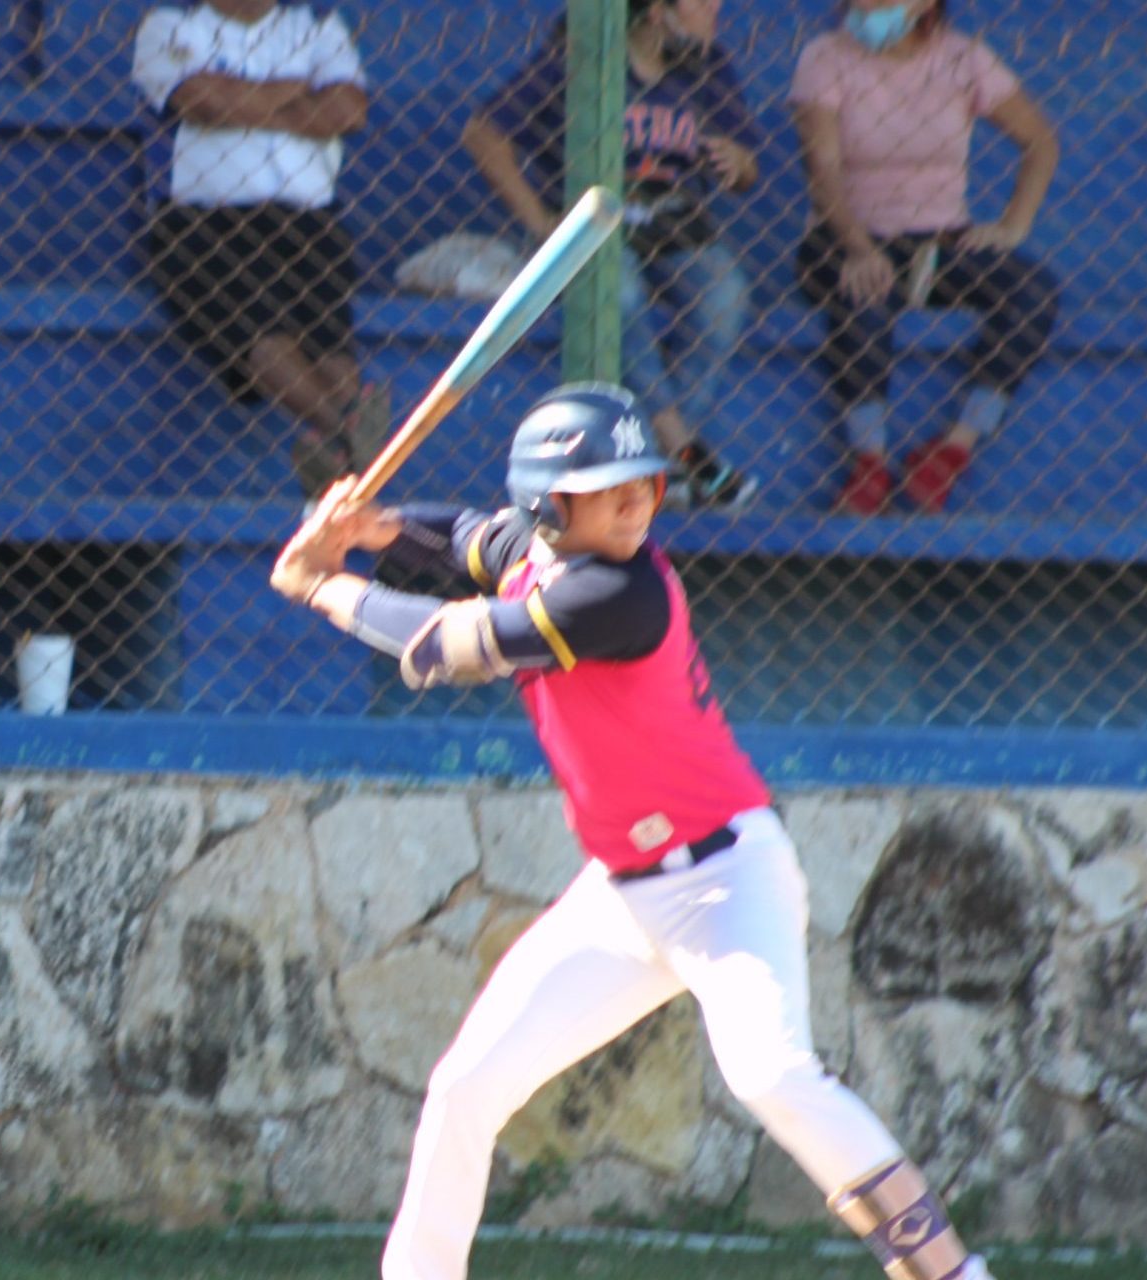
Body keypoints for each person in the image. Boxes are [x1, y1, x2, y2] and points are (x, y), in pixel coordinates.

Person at [270, 384, 996, 1280]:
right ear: (546, 507)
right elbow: (462, 535)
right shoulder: (530, 551)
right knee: (465, 1088)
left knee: (771, 1074)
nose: (636, 503)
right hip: (623, 897)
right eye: (608, 490)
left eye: (641, 486)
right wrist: (367, 526)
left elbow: (442, 649)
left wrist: (325, 584)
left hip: (729, 880)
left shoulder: (622, 589)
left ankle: (955, 1274)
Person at [463, 0, 761, 510]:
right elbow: (483, 133)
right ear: (655, 13)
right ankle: (680, 450)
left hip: (678, 227)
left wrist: (739, 162)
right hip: (601, 228)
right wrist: (540, 222)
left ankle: (662, 462)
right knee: (617, 292)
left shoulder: (706, 66)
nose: (716, 8)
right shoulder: (580, 59)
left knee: (724, 294)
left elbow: (748, 168)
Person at [790, 0, 1060, 514]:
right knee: (863, 290)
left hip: (936, 243)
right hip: (845, 237)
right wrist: (857, 246)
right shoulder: (824, 57)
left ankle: (953, 448)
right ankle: (869, 459)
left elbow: (1040, 142)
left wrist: (1011, 228)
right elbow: (820, 165)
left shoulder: (964, 59)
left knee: (1033, 290)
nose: (862, 7)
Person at [131, 0, 391, 499]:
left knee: (329, 339)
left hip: (308, 219)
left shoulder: (315, 26)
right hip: (204, 220)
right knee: (260, 325)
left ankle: (338, 456)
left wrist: (245, 100)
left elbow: (348, 110)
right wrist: (297, 93)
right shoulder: (169, 27)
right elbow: (203, 102)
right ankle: (347, 437)